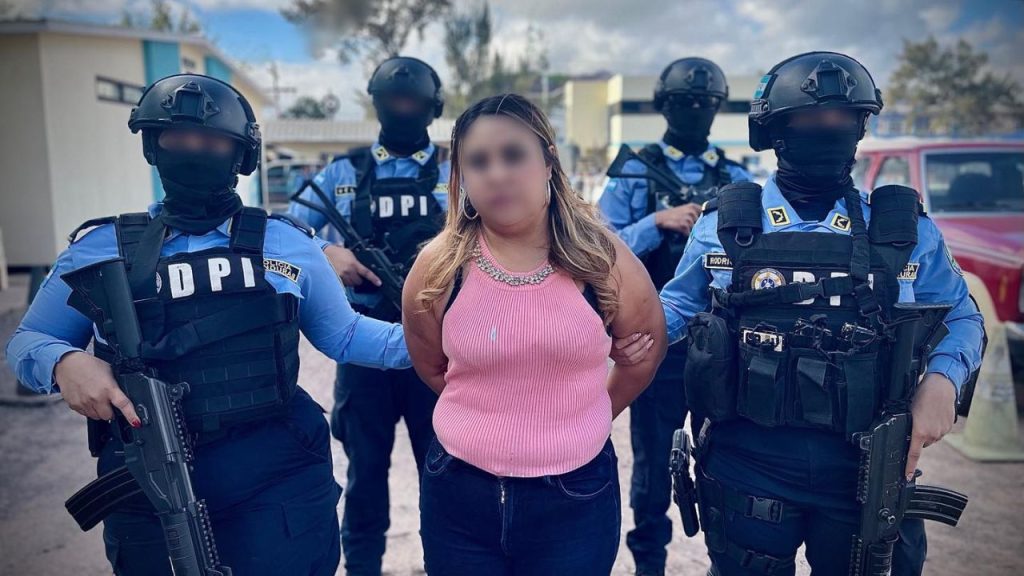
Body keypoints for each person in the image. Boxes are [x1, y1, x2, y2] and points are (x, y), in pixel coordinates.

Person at [5, 73, 411, 576]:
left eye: (214, 141)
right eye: (178, 138)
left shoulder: (286, 242)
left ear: (240, 155)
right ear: (152, 145)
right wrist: (63, 362)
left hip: (274, 475)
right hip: (148, 477)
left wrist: (449, 340)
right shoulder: (100, 248)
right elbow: (28, 341)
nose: (195, 151)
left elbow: (346, 335)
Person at [649, 51, 985, 575]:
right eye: (809, 119)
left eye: (844, 117)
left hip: (864, 464)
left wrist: (943, 380)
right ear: (774, 131)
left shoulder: (903, 230)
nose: (829, 129)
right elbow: (673, 309)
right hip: (746, 460)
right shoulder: (725, 223)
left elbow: (963, 318)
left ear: (861, 127)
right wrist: (602, 340)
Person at [401, 93, 667, 575]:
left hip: (574, 499)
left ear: (547, 160)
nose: (497, 174)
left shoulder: (601, 258)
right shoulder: (438, 267)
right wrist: (493, 416)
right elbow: (431, 364)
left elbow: (646, 351)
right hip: (458, 496)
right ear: (461, 177)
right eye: (479, 162)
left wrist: (582, 416)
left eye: (513, 155)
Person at [288, 55, 450, 576]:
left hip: (439, 346)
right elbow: (283, 233)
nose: (402, 109)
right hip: (363, 349)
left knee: (446, 474)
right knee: (364, 477)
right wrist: (325, 252)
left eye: (412, 101)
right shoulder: (342, 173)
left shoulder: (458, 170)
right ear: (376, 104)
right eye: (393, 100)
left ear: (432, 108)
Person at [597, 56, 751, 576]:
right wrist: (656, 222)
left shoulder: (735, 177)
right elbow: (598, 248)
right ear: (664, 105)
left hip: (724, 346)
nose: (695, 111)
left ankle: (725, 562)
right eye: (685, 103)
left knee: (729, 463)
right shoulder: (632, 170)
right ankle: (649, 566)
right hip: (655, 340)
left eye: (705, 104)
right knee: (652, 469)